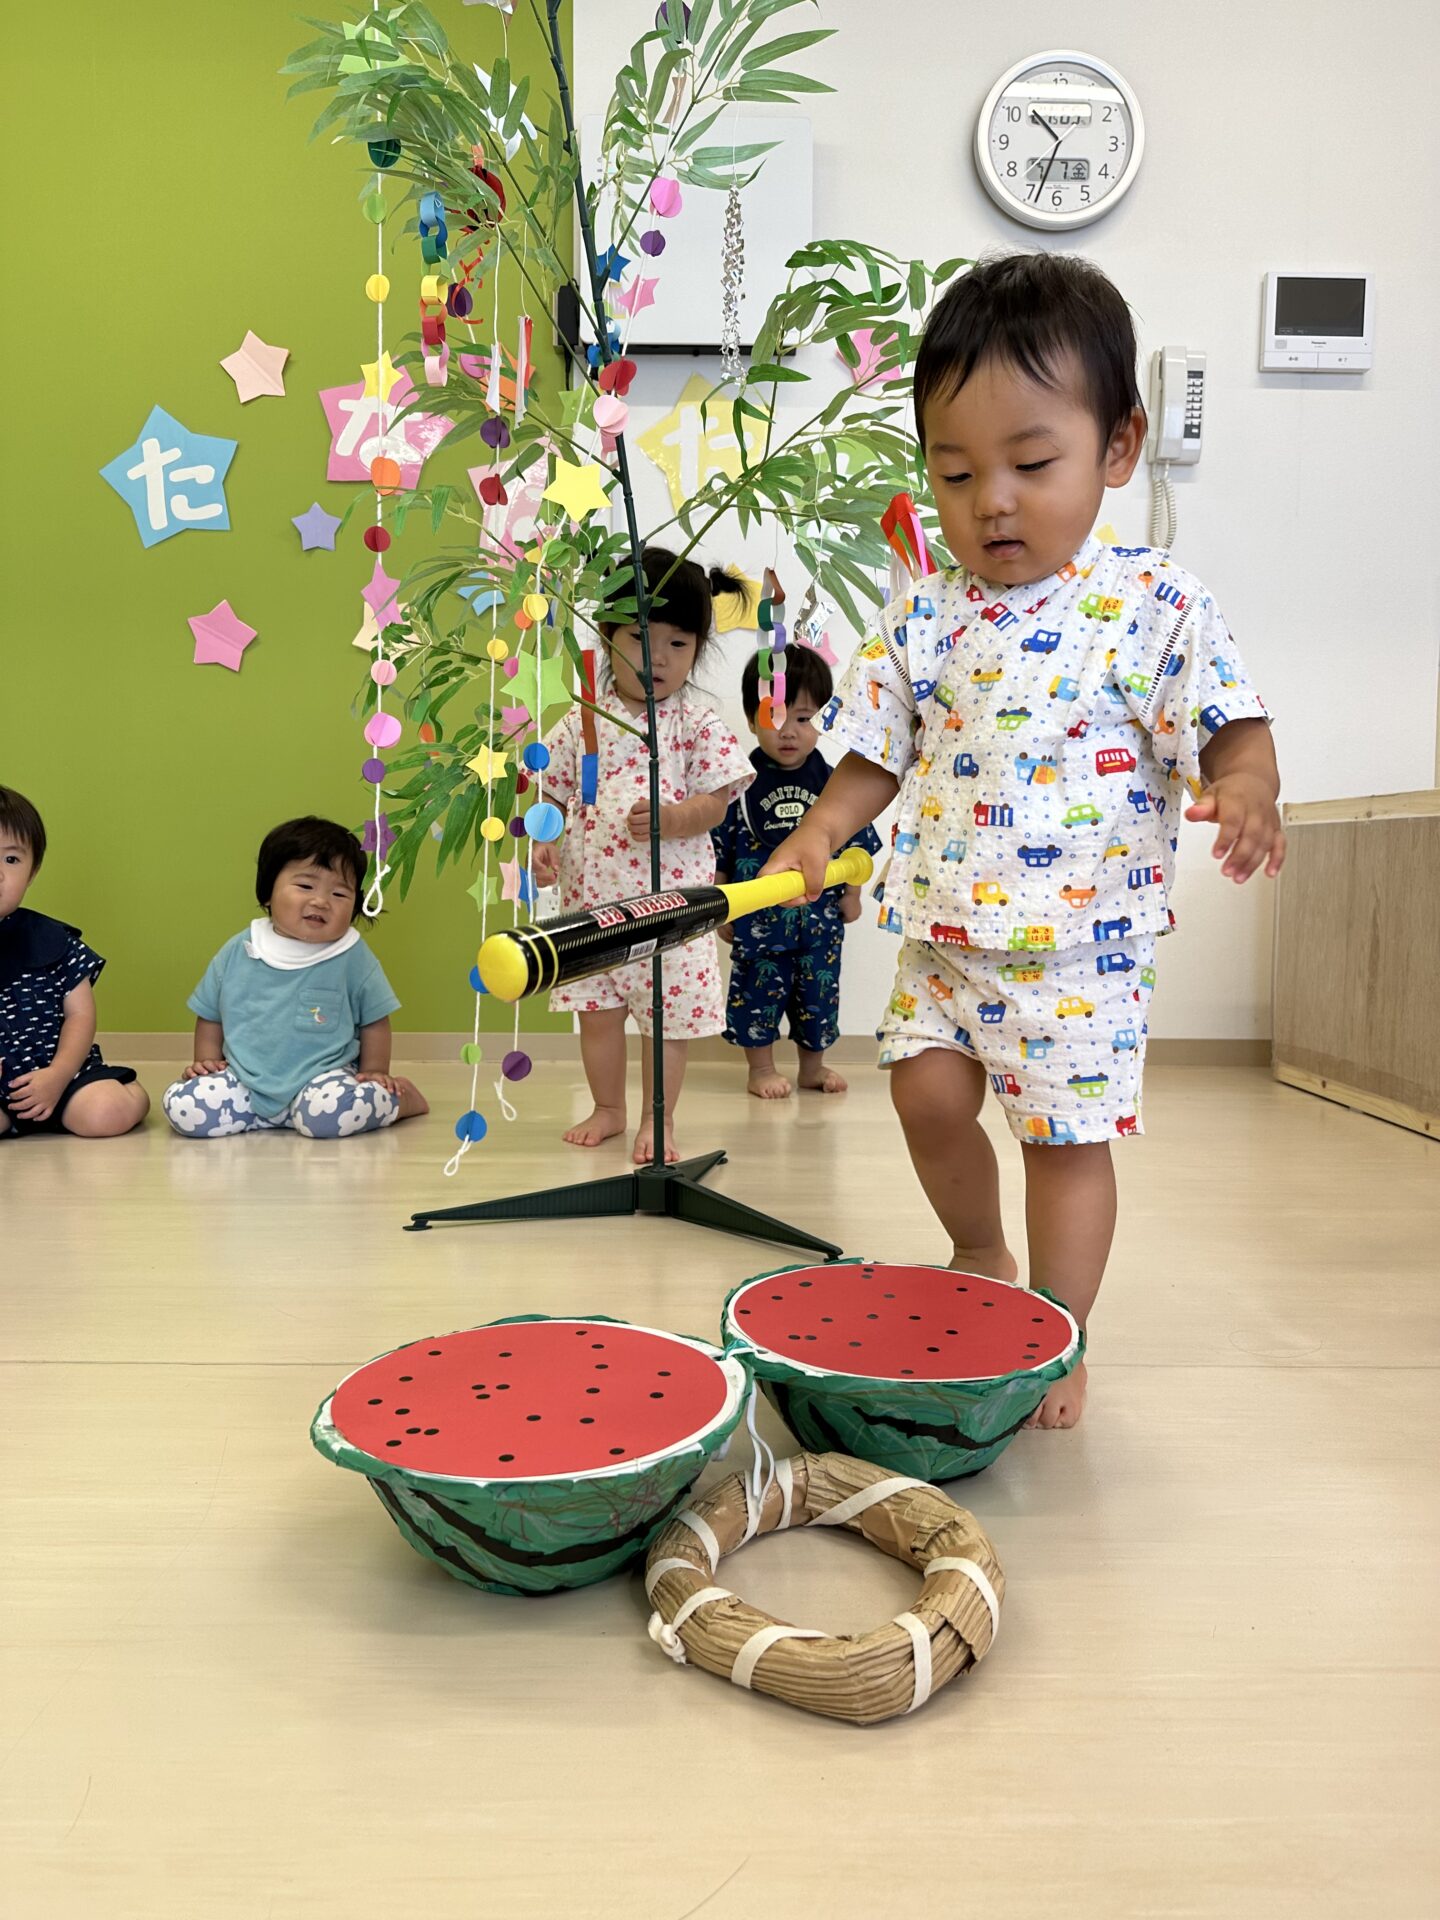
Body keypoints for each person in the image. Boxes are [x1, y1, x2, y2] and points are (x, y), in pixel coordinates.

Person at [761, 252, 1285, 1429]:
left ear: (1118, 446)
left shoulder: (1153, 604)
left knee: (1064, 1146)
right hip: (943, 938)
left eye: (1031, 464)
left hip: (1081, 955)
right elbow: (874, 751)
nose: (991, 499)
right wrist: (822, 831)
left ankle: (1057, 1330)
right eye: (955, 473)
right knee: (924, 1095)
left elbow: (1231, 726)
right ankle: (977, 1250)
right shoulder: (922, 610)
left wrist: (1247, 785)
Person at [529, 547, 752, 1166]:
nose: (658, 658)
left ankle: (659, 1117)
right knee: (597, 1016)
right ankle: (608, 1108)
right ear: (606, 636)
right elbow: (552, 790)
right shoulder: (583, 720)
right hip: (590, 908)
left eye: (678, 644)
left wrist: (675, 818)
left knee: (665, 1022)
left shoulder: (695, 723)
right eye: (639, 639)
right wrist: (544, 838)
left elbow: (717, 802)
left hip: (669, 915)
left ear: (698, 651)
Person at [161, 816, 427, 1139]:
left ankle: (399, 1101)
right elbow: (210, 1014)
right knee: (183, 1107)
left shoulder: (351, 955)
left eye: (339, 894)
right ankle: (257, 1115)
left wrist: (374, 1071)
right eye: (305, 886)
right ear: (268, 892)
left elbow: (375, 1020)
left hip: (323, 1081)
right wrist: (206, 1063)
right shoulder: (241, 949)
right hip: (243, 1081)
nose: (321, 901)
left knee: (332, 1116)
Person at [711, 647, 880, 1098]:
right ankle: (761, 1070)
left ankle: (812, 1068)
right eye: (774, 716)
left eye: (804, 718)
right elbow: (720, 851)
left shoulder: (835, 784)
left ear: (823, 719)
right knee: (755, 996)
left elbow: (856, 839)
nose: (788, 731)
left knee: (818, 998)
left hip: (820, 923)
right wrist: (724, 907)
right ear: (751, 719)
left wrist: (853, 893)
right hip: (758, 924)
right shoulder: (738, 785)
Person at [0, 786, 149, 1139]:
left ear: (32, 872)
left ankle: (128, 1095)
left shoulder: (53, 940)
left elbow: (80, 1015)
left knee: (106, 1112)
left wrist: (59, 1074)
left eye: (11, 860)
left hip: (66, 1079)